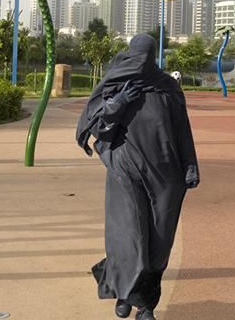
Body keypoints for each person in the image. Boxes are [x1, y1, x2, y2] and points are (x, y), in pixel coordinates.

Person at [76, 34, 199, 320]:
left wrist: (190, 165)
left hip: (165, 174)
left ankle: (137, 296)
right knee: (129, 236)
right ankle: (133, 299)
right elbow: (98, 128)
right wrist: (117, 104)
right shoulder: (116, 83)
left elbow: (182, 129)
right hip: (125, 170)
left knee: (158, 242)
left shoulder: (167, 87)